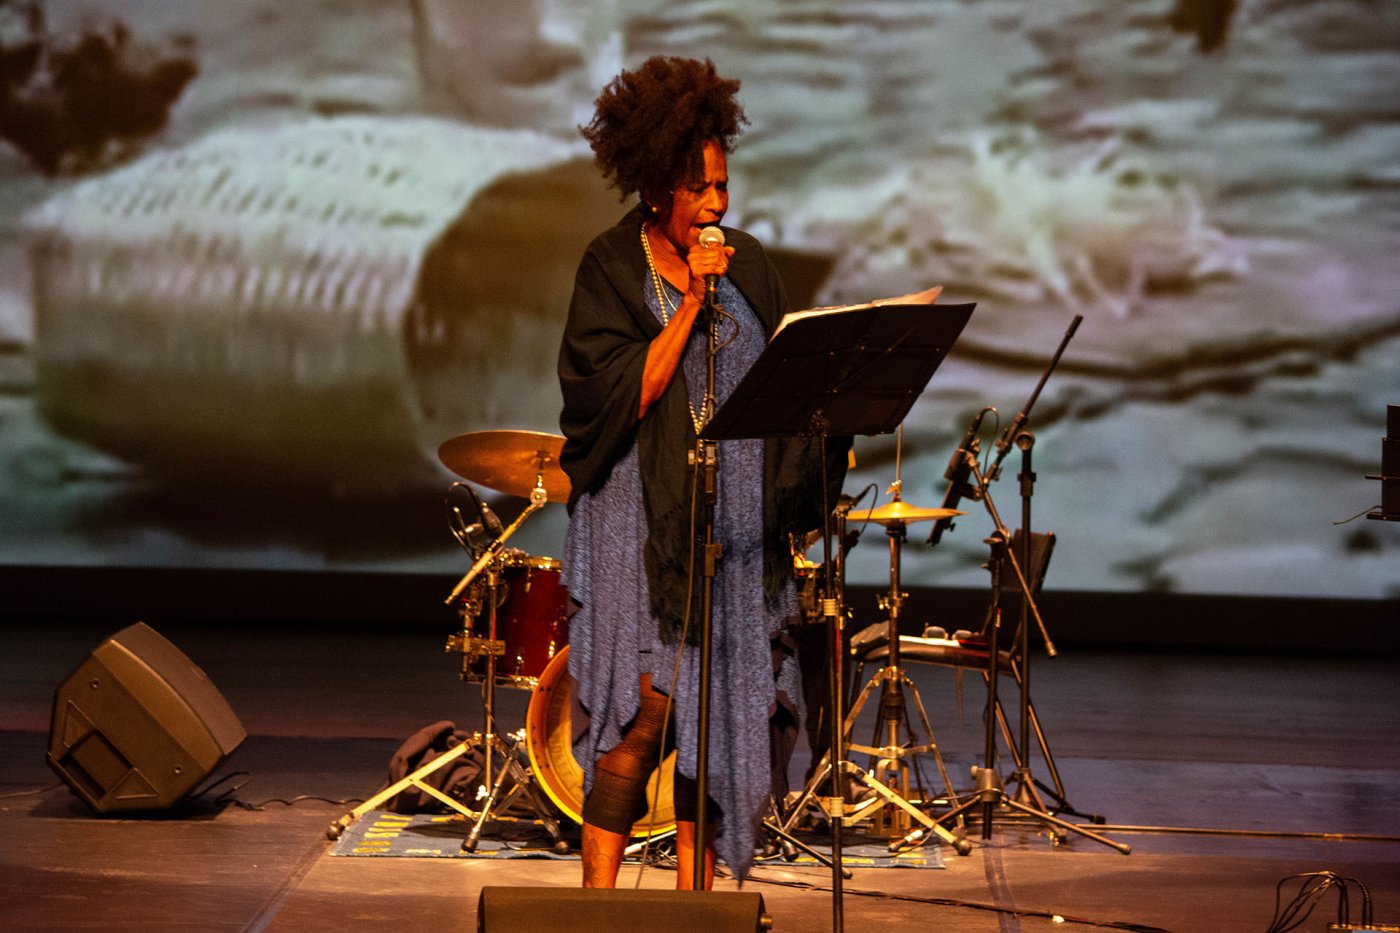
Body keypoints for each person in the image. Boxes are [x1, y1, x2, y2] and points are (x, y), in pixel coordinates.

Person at [557, 55, 848, 888]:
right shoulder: (612, 269)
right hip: (642, 534)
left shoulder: (748, 267)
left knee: (717, 727)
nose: (718, 203)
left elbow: (783, 382)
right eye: (700, 188)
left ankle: (698, 909)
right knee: (645, 720)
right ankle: (596, 908)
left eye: (723, 184)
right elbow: (624, 392)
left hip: (733, 531)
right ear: (657, 189)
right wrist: (689, 301)